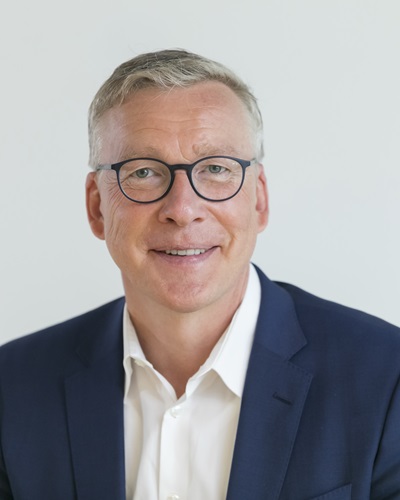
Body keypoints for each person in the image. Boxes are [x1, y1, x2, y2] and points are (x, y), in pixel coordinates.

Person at [0, 49, 399, 500]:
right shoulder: (12, 388)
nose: (183, 209)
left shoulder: (387, 378)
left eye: (215, 169)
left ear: (259, 200)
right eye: (144, 172)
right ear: (97, 208)